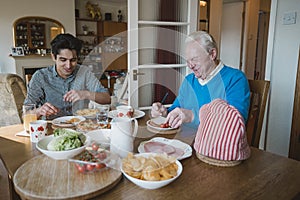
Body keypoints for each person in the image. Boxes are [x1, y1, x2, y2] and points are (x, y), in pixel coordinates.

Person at [151, 31, 250, 129]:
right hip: (182, 141)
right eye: (188, 61)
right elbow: (176, 109)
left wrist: (193, 116)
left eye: (194, 59)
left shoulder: (235, 79)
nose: (190, 65)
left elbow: (235, 123)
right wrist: (164, 113)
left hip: (212, 144)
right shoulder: (189, 81)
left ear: (212, 54)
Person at [24, 33, 110, 119]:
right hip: (52, 128)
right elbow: (25, 115)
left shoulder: (84, 72)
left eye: (73, 60)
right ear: (53, 57)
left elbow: (107, 98)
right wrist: (39, 111)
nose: (68, 66)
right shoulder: (40, 77)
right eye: (63, 60)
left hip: (80, 126)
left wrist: (86, 94)